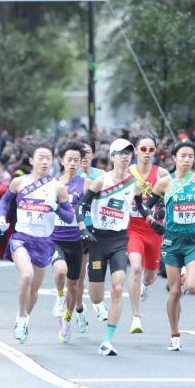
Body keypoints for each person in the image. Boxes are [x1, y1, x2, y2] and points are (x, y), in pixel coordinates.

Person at [0, 141, 74, 343]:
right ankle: (21, 318)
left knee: (34, 290)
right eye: (40, 158)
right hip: (21, 238)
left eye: (48, 158)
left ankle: (24, 319)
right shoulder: (19, 182)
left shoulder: (58, 187)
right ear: (32, 160)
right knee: (27, 275)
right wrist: (2, 218)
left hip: (44, 242)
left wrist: (56, 207)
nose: (45, 162)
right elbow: (5, 201)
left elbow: (69, 217)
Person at [141, 141, 195, 351]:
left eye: (191, 156)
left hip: (193, 242)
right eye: (183, 156)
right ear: (175, 158)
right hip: (172, 242)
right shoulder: (165, 183)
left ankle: (185, 274)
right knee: (174, 292)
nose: (187, 159)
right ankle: (174, 335)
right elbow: (146, 206)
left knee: (191, 287)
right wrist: (154, 218)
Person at [77, 138, 138, 356]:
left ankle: (107, 340)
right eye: (120, 153)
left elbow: (141, 205)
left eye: (129, 152)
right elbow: (81, 205)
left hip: (119, 240)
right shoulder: (101, 181)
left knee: (118, 287)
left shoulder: (134, 183)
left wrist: (153, 217)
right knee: (95, 296)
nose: (125, 156)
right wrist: (83, 228)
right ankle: (89, 306)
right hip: (97, 240)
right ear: (112, 157)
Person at [126, 134, 169, 334]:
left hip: (154, 230)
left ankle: (145, 283)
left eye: (151, 150)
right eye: (143, 149)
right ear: (135, 150)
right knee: (135, 267)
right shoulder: (126, 172)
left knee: (150, 276)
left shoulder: (161, 174)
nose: (147, 153)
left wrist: (161, 212)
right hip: (132, 227)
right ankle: (136, 317)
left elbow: (170, 200)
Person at [52, 141, 87, 343]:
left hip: (76, 240)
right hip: (56, 237)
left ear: (82, 163)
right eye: (69, 160)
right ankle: (58, 295)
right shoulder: (54, 184)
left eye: (76, 160)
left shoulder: (86, 184)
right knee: (60, 271)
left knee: (74, 286)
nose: (72, 164)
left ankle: (67, 320)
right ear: (62, 161)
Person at [79, 140, 104, 327]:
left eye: (87, 152)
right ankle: (79, 309)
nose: (84, 156)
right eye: (81, 153)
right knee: (79, 274)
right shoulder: (72, 177)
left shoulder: (101, 175)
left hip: (97, 227)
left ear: (93, 155)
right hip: (78, 228)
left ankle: (98, 303)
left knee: (96, 269)